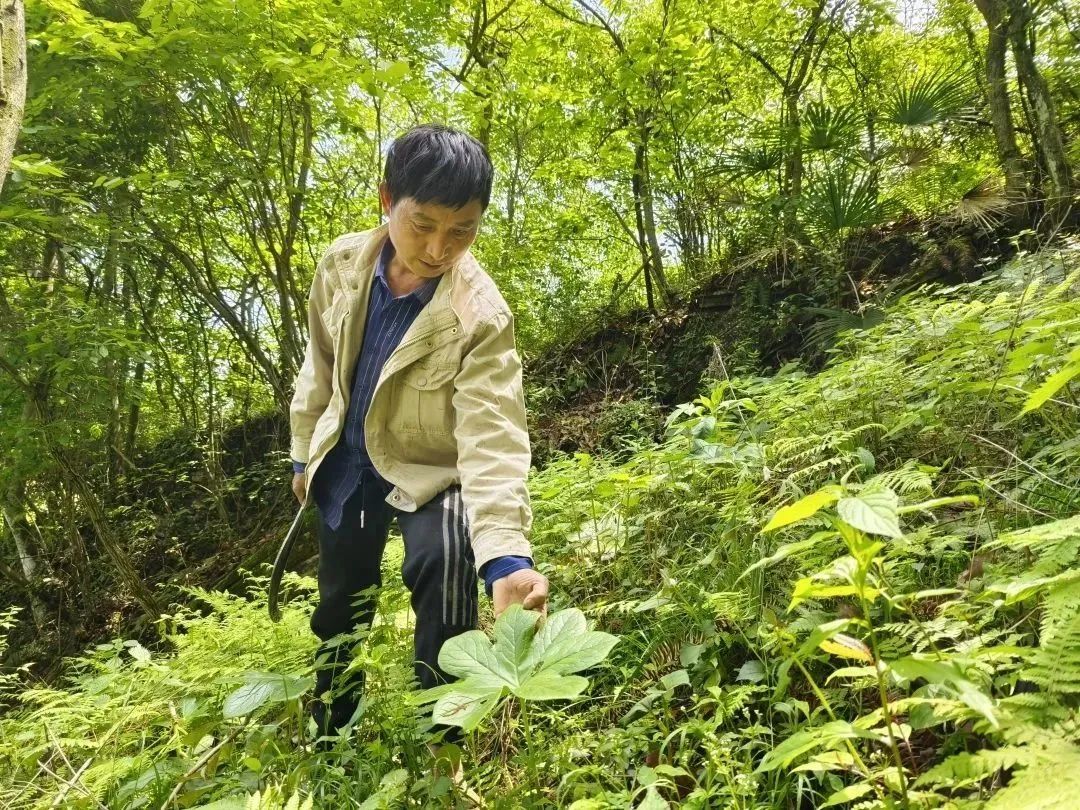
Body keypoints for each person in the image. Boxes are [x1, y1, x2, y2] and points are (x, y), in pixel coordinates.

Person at [288, 124, 550, 754]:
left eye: (462, 230)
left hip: (434, 469)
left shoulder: (480, 313)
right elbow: (320, 365)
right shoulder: (341, 264)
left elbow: (493, 430)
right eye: (424, 223)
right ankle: (330, 735)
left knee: (448, 570)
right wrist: (303, 452)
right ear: (386, 200)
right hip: (349, 459)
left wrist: (507, 556)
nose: (439, 247)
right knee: (340, 606)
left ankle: (444, 740)